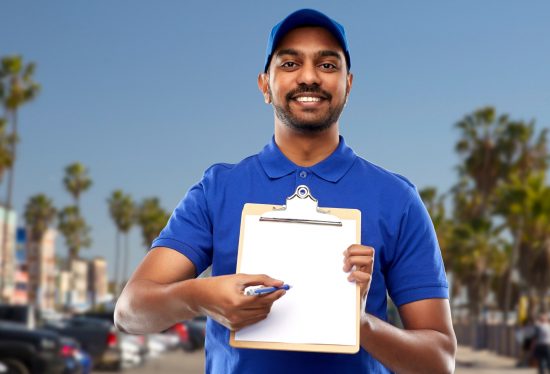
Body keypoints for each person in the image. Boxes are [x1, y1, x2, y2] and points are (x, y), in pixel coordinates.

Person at [114, 8, 456, 373]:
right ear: (265, 85)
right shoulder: (218, 190)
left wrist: (359, 325)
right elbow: (130, 312)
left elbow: (439, 362)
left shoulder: (396, 198)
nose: (309, 77)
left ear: (348, 84)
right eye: (290, 64)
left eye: (327, 65)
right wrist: (199, 297)